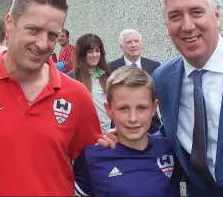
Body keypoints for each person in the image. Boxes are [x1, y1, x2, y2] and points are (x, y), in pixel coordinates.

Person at [98, 0, 223, 196]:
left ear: (216, 14)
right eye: (175, 16)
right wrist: (126, 136)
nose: (187, 26)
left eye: (196, 12)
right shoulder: (163, 77)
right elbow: (173, 133)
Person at [0, 0, 102, 196]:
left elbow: (94, 167)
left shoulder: (77, 95)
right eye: (33, 30)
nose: (42, 44)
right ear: (10, 24)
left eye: (52, 35)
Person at [73, 66, 183, 196]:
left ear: (154, 108)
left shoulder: (171, 149)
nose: (133, 118)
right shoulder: (92, 157)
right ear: (108, 109)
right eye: (123, 109)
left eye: (142, 108)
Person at [110, 29, 162, 133]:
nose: (133, 45)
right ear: (121, 47)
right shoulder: (111, 68)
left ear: (141, 44)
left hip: (152, 124)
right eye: (129, 42)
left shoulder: (155, 66)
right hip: (123, 125)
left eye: (136, 41)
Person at [68, 33, 112, 134]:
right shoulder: (73, 77)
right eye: (90, 51)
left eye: (97, 51)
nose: (95, 55)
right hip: (85, 136)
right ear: (82, 54)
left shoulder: (107, 75)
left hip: (109, 135)